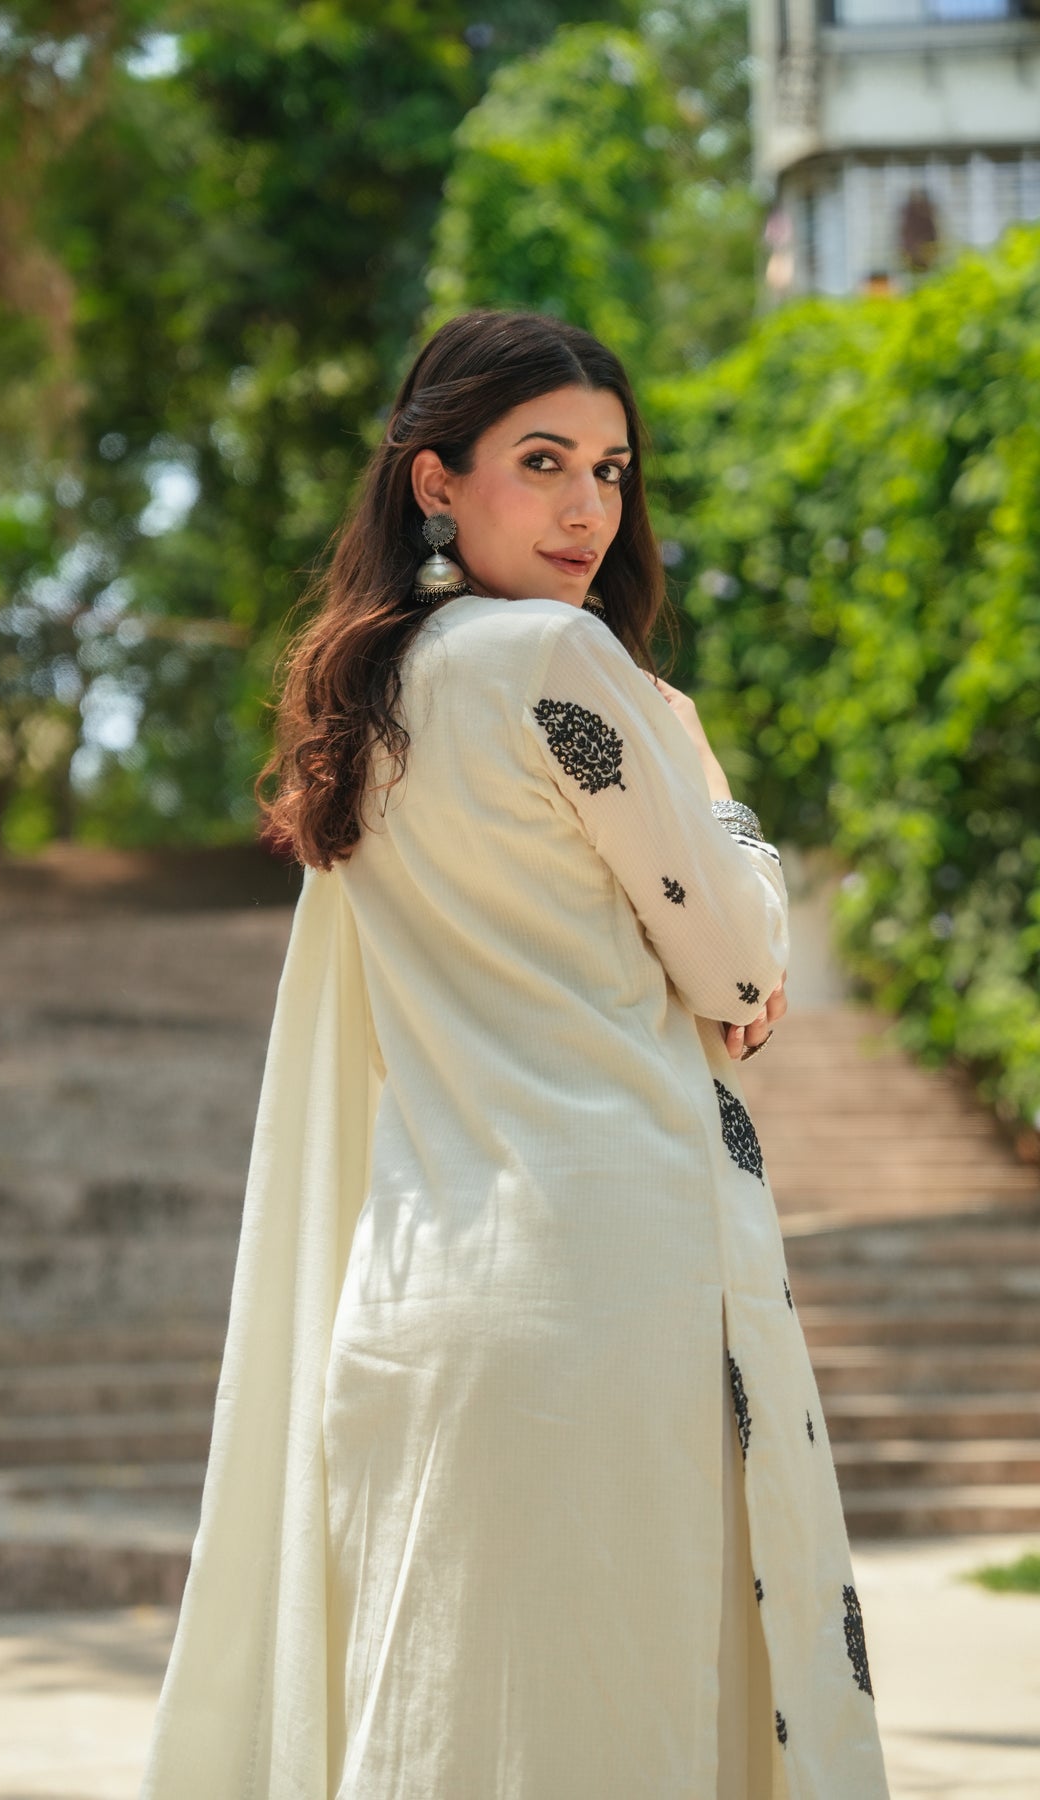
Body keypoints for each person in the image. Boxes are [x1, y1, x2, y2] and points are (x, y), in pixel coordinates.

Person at [139, 311, 891, 1799]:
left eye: (609, 470)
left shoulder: (370, 695)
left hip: (422, 1298)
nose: (586, 509)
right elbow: (742, 966)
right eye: (541, 463)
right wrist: (706, 774)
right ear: (437, 480)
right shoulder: (559, 656)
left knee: (452, 1733)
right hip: (602, 1285)